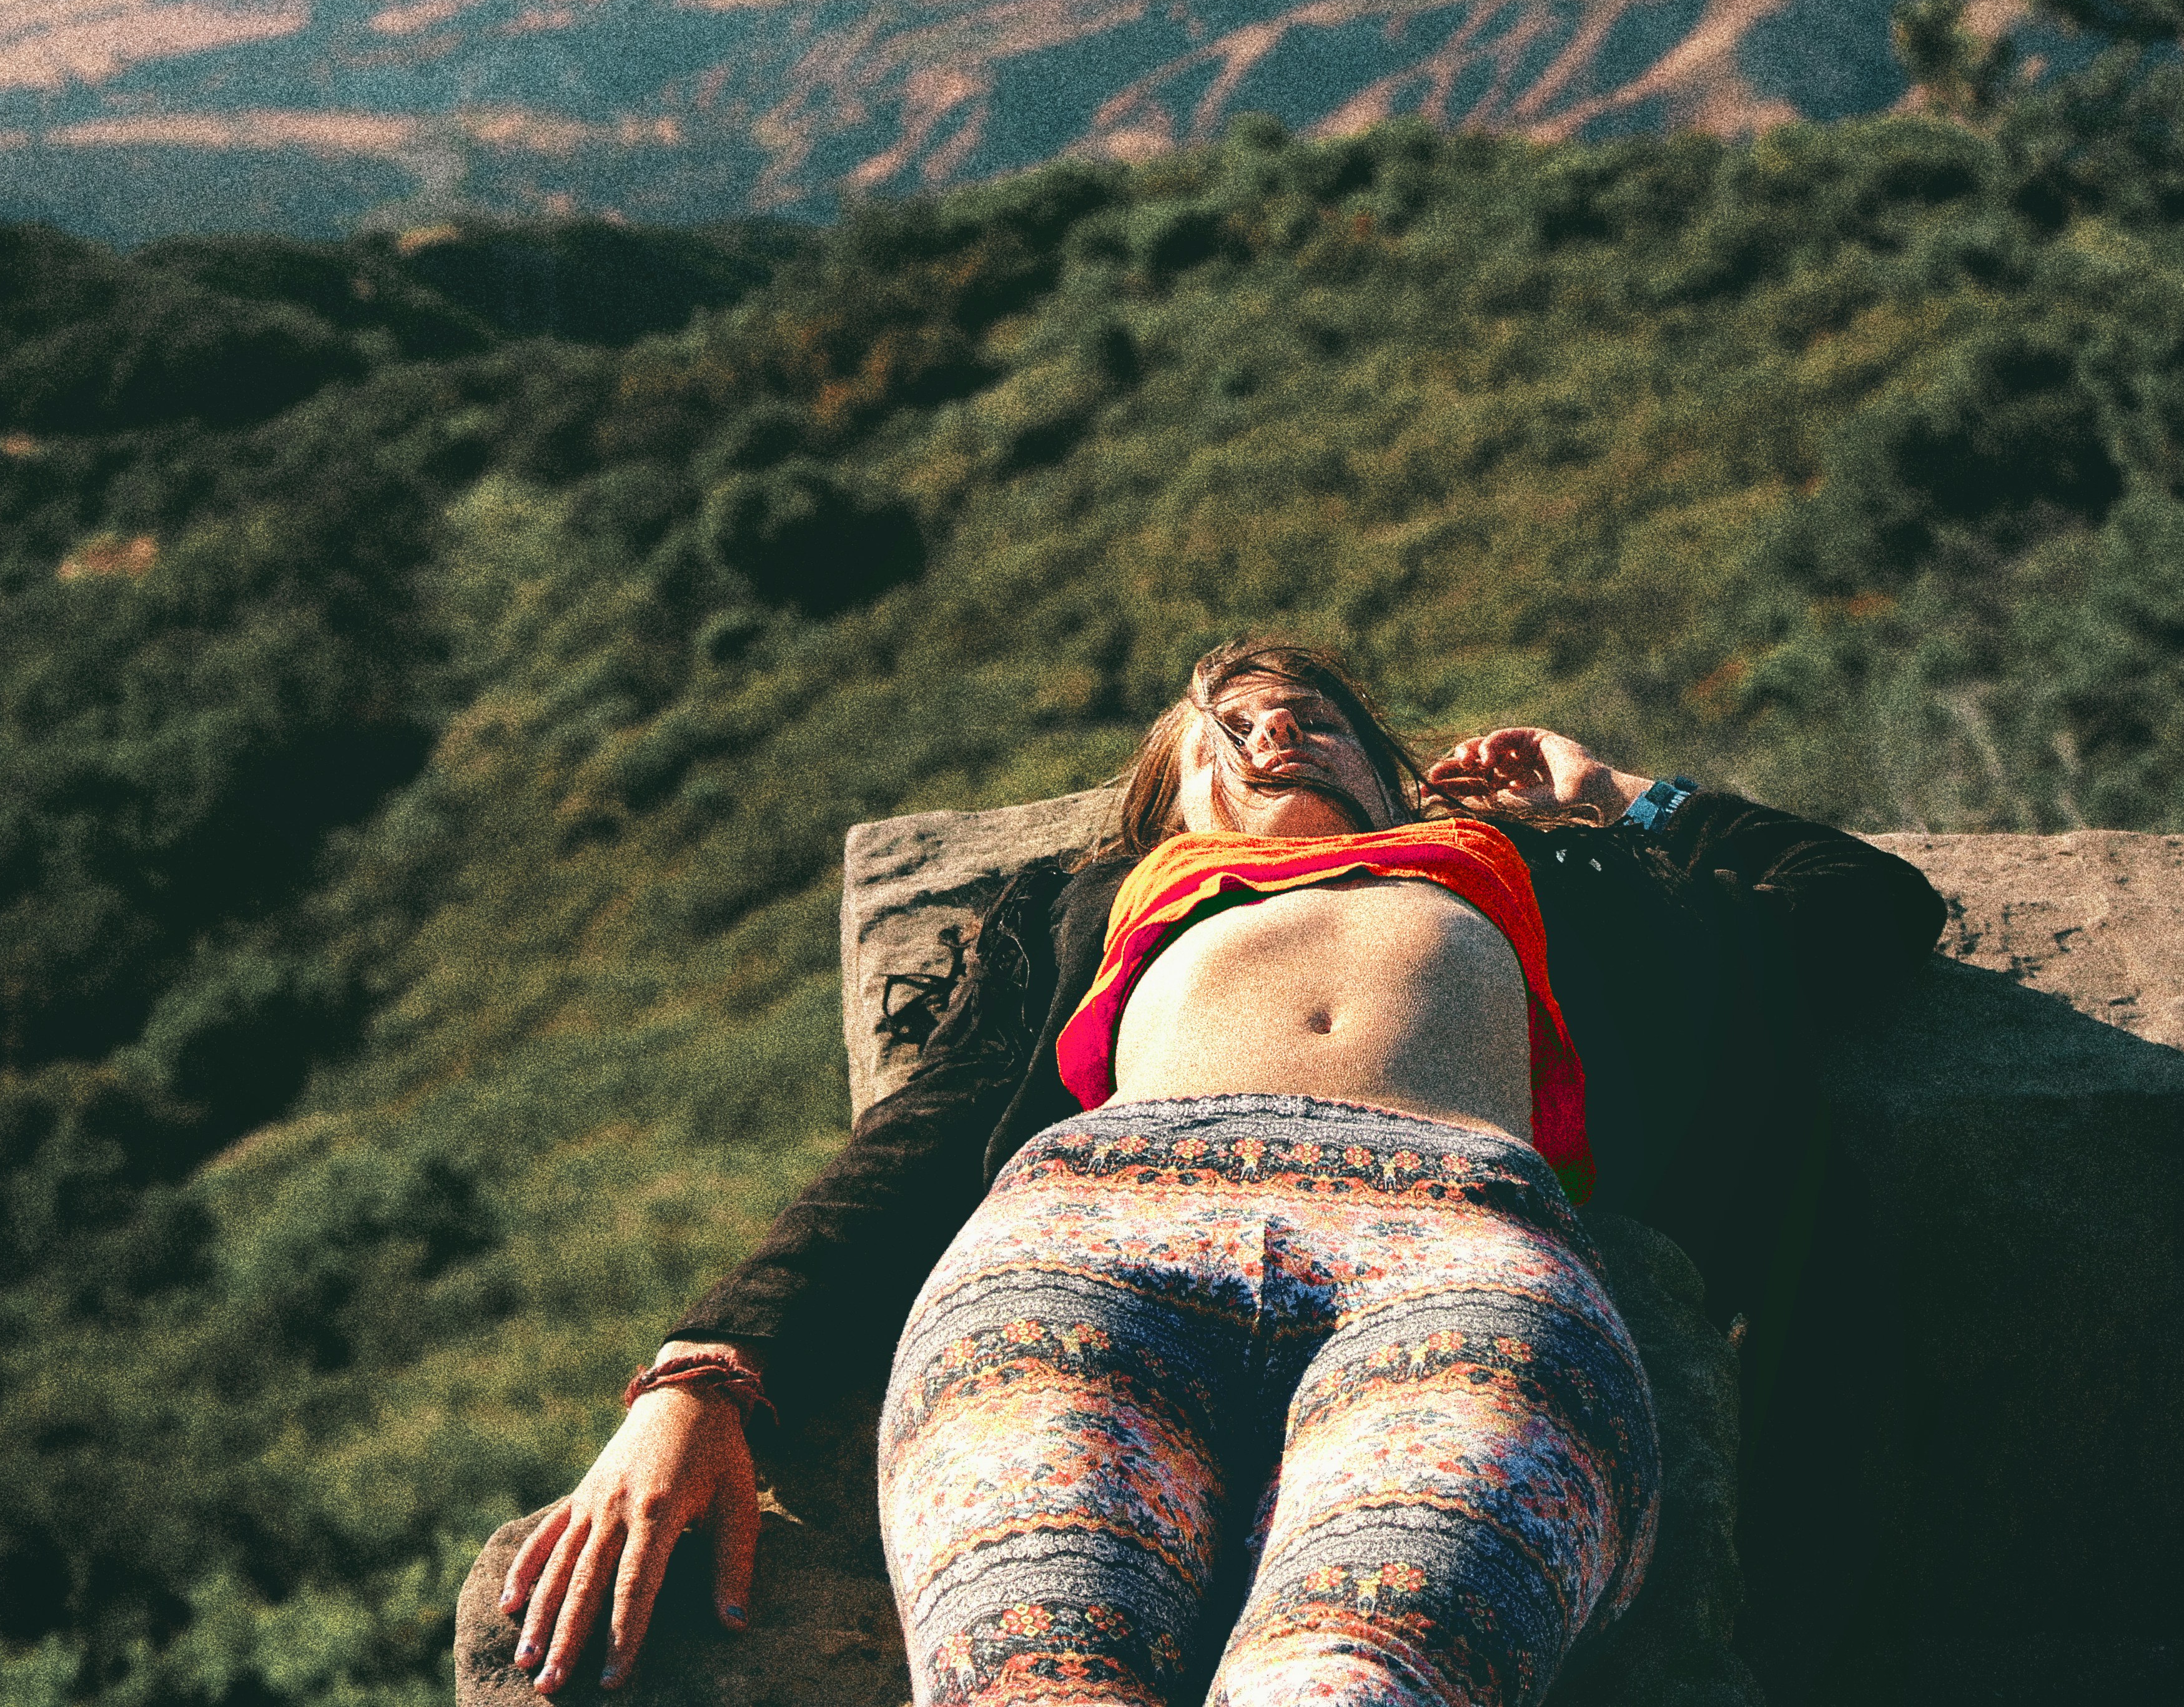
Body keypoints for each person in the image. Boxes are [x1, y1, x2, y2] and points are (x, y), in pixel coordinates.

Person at [500, 636, 1943, 1703]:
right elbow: (927, 1127)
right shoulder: (1087, 904)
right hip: (1087, 1240)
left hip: (1459, 1252)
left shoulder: (1559, 880)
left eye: (1314, 717)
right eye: (1228, 729)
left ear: (1390, 768)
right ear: (1169, 804)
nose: (1274, 733)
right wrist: (703, 1370)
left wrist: (1621, 793)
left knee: (1370, 1679)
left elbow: (1864, 911)